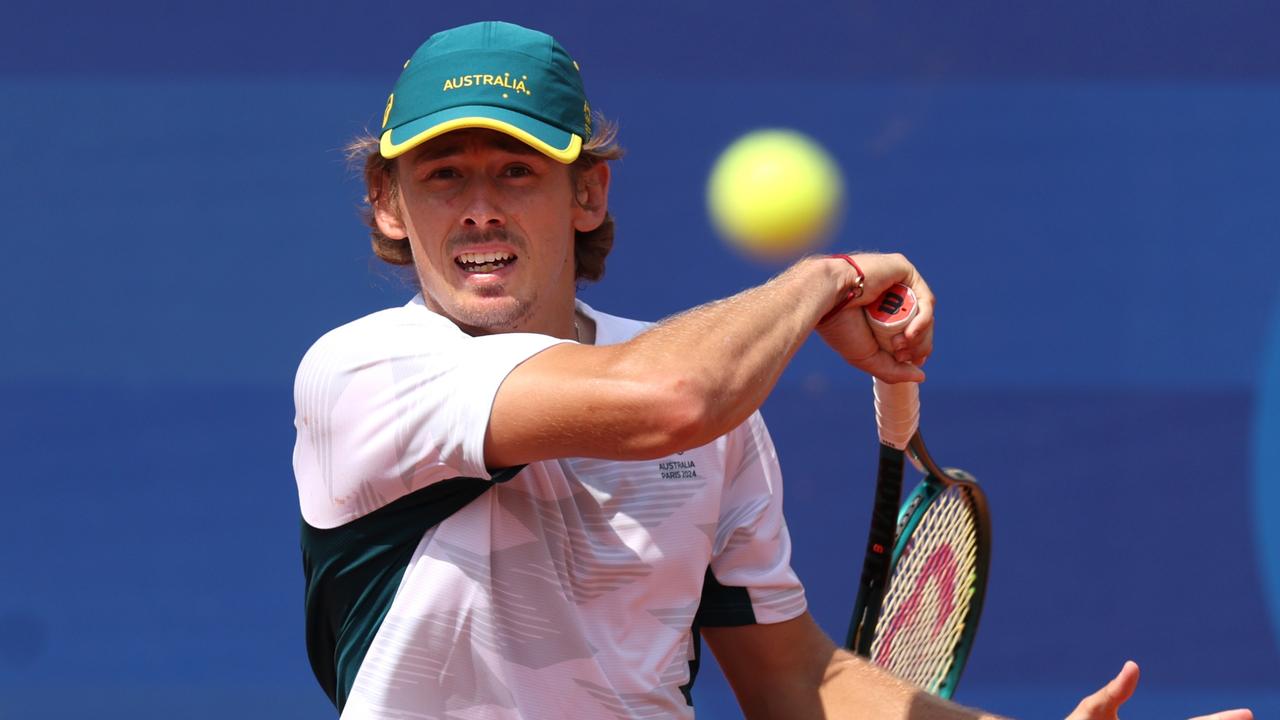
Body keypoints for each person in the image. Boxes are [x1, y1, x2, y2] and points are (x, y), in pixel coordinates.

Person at [292, 20, 1253, 720]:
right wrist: (825, 281)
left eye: (516, 173)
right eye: (442, 175)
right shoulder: (362, 374)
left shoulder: (718, 417)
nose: (478, 210)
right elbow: (670, 397)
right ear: (386, 203)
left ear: (588, 193)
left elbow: (800, 681)